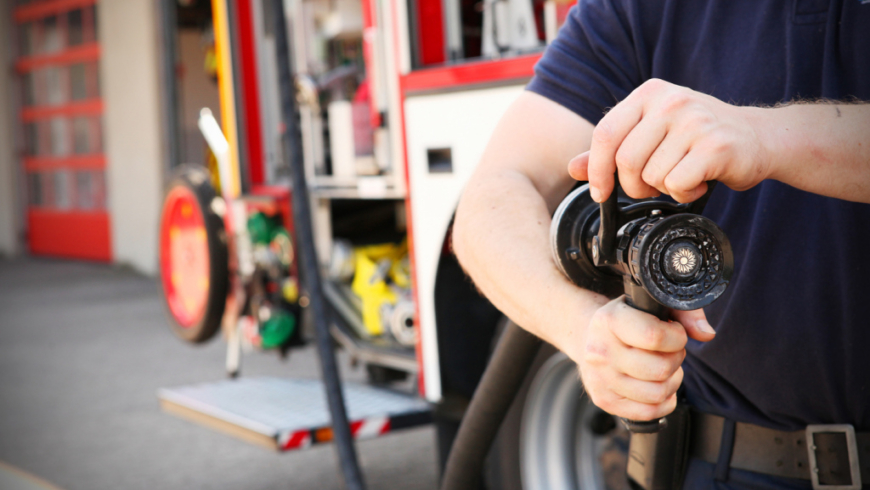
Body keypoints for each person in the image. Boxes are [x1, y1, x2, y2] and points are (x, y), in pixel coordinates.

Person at [452, 0, 870, 488]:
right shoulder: (640, 9)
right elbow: (491, 197)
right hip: (726, 466)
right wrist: (583, 328)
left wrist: (765, 136)